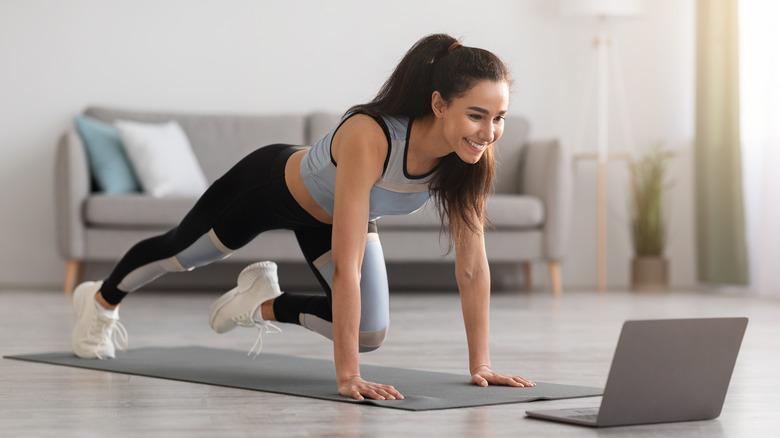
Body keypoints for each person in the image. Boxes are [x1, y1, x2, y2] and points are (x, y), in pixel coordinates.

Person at [70, 33, 536, 401]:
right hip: (268, 188)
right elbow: (349, 265)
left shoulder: (470, 159)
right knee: (181, 255)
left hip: (335, 218)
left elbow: (473, 266)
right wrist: (349, 376)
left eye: (500, 118)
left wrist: (481, 365)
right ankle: (100, 303)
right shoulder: (371, 135)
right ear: (439, 104)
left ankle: (259, 302)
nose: (489, 132)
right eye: (478, 115)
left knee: (370, 332)